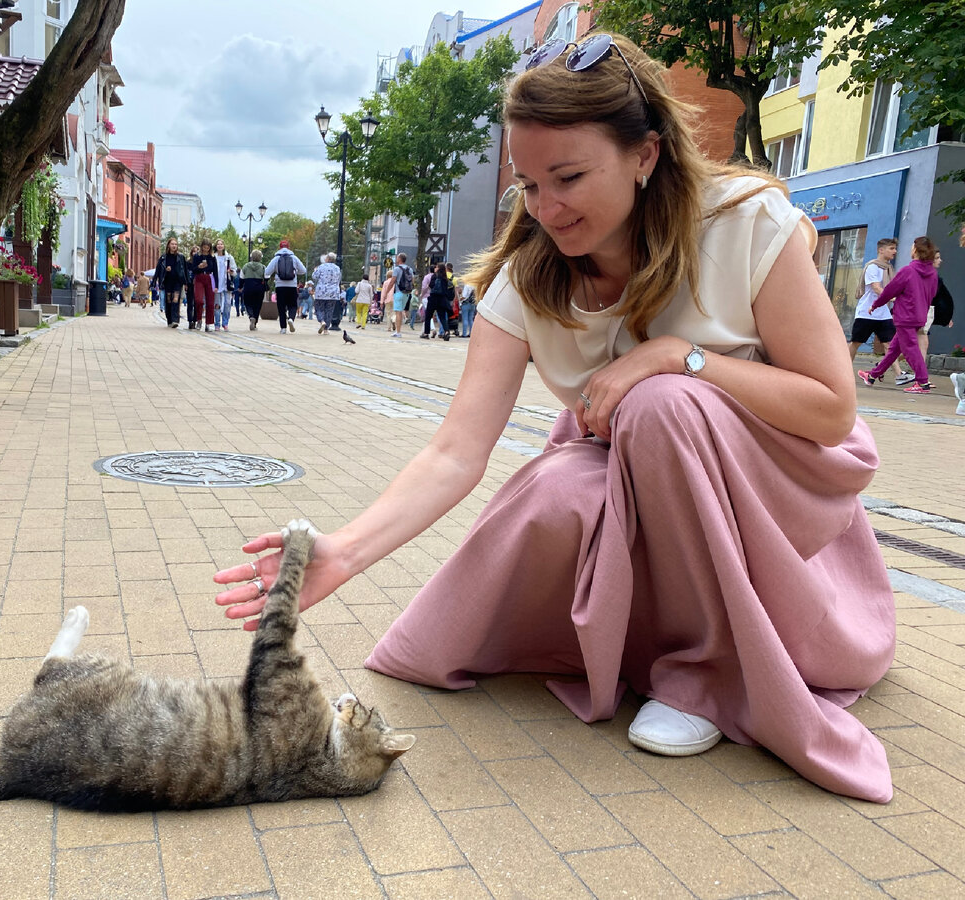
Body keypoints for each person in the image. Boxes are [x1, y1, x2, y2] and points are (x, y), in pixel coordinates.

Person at [214, 32, 896, 804]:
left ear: (644, 155)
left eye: (568, 177)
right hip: (637, 469)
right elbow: (456, 450)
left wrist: (677, 355)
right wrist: (344, 552)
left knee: (660, 403)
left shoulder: (743, 225)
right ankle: (649, 640)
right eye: (530, 186)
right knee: (559, 485)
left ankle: (706, 674)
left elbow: (832, 407)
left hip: (781, 482)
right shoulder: (529, 275)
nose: (548, 209)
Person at [859, 237, 939, 393]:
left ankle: (922, 382)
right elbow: (933, 293)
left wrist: (875, 305)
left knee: (910, 349)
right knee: (894, 349)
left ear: (915, 250)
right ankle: (873, 375)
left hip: (905, 316)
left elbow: (890, 291)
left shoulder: (908, 271)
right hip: (919, 315)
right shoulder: (932, 274)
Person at [847, 238, 901, 382]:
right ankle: (844, 371)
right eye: (891, 248)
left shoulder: (888, 268)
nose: (895, 251)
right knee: (856, 343)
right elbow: (876, 288)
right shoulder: (872, 267)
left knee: (889, 344)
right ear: (881, 250)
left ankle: (899, 375)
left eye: (895, 248)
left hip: (882, 313)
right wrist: (894, 299)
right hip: (867, 312)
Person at [264, 239, 307, 333]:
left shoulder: (276, 258)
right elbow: (303, 270)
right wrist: (295, 272)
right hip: (292, 285)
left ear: (279, 247)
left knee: (281, 307)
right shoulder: (294, 258)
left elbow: (267, 272)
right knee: (292, 305)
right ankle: (291, 318)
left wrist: (275, 273)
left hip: (280, 286)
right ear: (289, 247)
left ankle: (283, 328)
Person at [153, 238, 188, 328]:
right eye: (172, 244)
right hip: (167, 281)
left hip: (177, 281)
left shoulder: (181, 257)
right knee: (168, 300)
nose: (174, 246)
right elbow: (158, 270)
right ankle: (169, 319)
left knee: (175, 299)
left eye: (175, 244)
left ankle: (175, 320)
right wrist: (164, 271)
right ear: (169, 245)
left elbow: (185, 270)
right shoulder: (164, 257)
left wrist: (186, 282)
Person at [311, 253, 343, 334]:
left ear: (328, 259)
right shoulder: (337, 268)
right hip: (333, 293)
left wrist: (315, 270)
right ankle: (326, 329)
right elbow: (339, 279)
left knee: (319, 308)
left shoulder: (321, 267)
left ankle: (322, 321)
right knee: (329, 310)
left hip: (321, 291)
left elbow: (314, 277)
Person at [190, 240, 218, 331]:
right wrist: (199, 267)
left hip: (209, 278)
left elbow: (216, 272)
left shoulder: (212, 257)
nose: (206, 249)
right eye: (204, 247)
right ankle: (199, 320)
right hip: (199, 278)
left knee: (210, 302)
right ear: (202, 247)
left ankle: (208, 323)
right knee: (199, 300)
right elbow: (193, 269)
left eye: (208, 247)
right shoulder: (197, 256)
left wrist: (216, 285)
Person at [421, 263, 453, 341]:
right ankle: (446, 331)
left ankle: (426, 333)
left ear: (438, 269)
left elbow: (431, 286)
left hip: (433, 298)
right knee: (442, 317)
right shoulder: (445, 278)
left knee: (428, 316)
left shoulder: (434, 276)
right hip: (442, 299)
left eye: (437, 267)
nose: (435, 268)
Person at [385, 253, 414, 337]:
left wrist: (387, 292)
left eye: (397, 258)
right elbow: (412, 281)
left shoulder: (397, 269)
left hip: (398, 292)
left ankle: (398, 332)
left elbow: (392, 281)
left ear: (400, 259)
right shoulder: (410, 269)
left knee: (398, 312)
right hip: (406, 293)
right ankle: (398, 330)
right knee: (401, 311)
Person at [240, 249, 267, 330]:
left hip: (248, 287)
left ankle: (251, 316)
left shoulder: (245, 266)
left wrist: (240, 287)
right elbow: (267, 277)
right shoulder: (263, 267)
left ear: (251, 257)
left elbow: (241, 277)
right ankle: (255, 323)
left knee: (248, 303)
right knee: (257, 305)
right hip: (259, 289)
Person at [213, 238, 237, 331]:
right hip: (217, 284)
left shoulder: (229, 257)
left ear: (224, 246)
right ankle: (217, 323)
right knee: (217, 304)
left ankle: (225, 322)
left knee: (227, 304)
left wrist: (231, 272)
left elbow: (234, 271)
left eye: (221, 244)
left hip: (227, 283)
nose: (220, 246)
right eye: (218, 244)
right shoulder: (213, 257)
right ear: (216, 246)